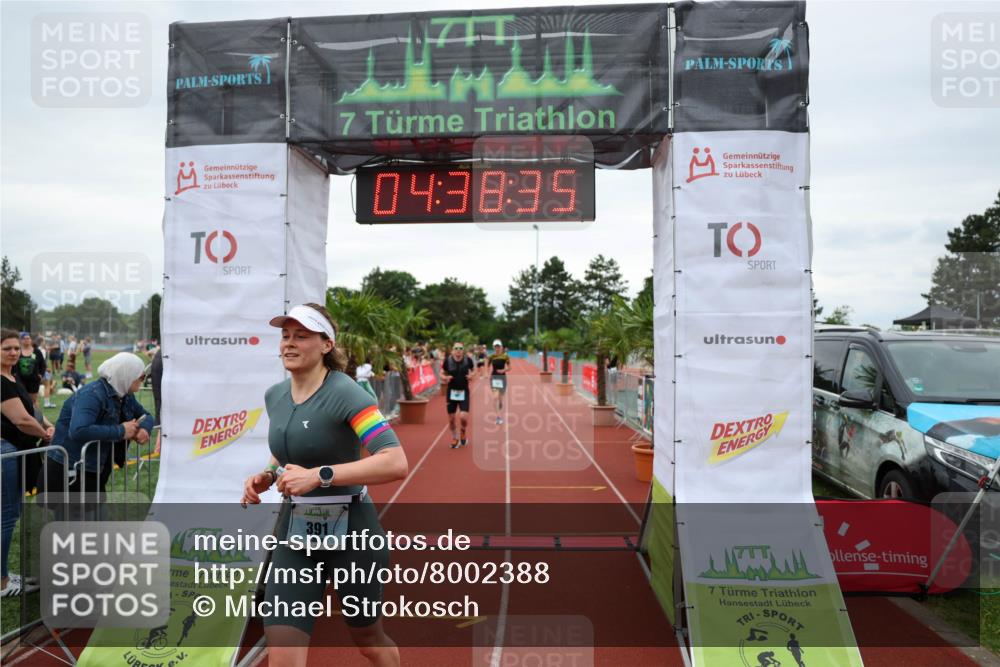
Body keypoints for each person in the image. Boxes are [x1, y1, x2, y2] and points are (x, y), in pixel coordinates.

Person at [241, 303, 407, 667]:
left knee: (369, 641)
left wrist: (320, 475)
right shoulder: (275, 396)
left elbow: (395, 461)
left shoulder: (347, 394)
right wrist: (268, 475)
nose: (289, 343)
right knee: (282, 650)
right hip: (295, 535)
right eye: (285, 335)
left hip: (353, 535)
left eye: (301, 336)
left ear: (326, 345)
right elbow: (287, 453)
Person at [43, 352, 154, 497]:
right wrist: (121, 431)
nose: (143, 379)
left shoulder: (125, 394)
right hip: (71, 467)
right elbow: (78, 430)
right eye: (141, 376)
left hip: (94, 466)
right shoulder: (91, 394)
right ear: (126, 375)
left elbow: (147, 416)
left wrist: (144, 429)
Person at [1, 329, 54, 597]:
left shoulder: (12, 377)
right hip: (6, 451)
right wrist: (45, 433)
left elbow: (32, 411)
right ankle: (1, 583)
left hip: (16, 449)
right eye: (6, 348)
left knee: (10, 513)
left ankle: (4, 575)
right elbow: (21, 420)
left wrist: (46, 424)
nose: (12, 352)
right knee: (7, 517)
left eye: (14, 348)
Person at [440, 341, 475, 448]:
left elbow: (474, 370)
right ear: (453, 350)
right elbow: (441, 373)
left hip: (464, 391)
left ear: (463, 350)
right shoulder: (448, 361)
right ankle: (455, 438)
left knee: (463, 416)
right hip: (451, 392)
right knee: (451, 418)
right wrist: (445, 378)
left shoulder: (468, 360)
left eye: (460, 348)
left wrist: (471, 375)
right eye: (456, 348)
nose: (458, 350)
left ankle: (463, 431)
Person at [15, 333, 45, 409]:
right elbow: (13, 365)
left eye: (28, 338)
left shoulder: (37, 351)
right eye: (24, 338)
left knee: (33, 401)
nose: (27, 340)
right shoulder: (17, 351)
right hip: (20, 380)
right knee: (22, 400)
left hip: (34, 380)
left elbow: (43, 365)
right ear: (20, 340)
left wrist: (41, 374)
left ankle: (37, 418)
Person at [488, 340, 511, 425]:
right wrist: (487, 373)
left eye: (498, 346)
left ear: (501, 347)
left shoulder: (505, 357)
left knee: (500, 397)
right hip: (494, 378)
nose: (497, 348)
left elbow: (510, 368)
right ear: (494, 347)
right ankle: (498, 417)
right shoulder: (491, 356)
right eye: (495, 346)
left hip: (502, 378)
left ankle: (500, 402)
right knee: (495, 397)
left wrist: (503, 370)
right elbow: (487, 365)